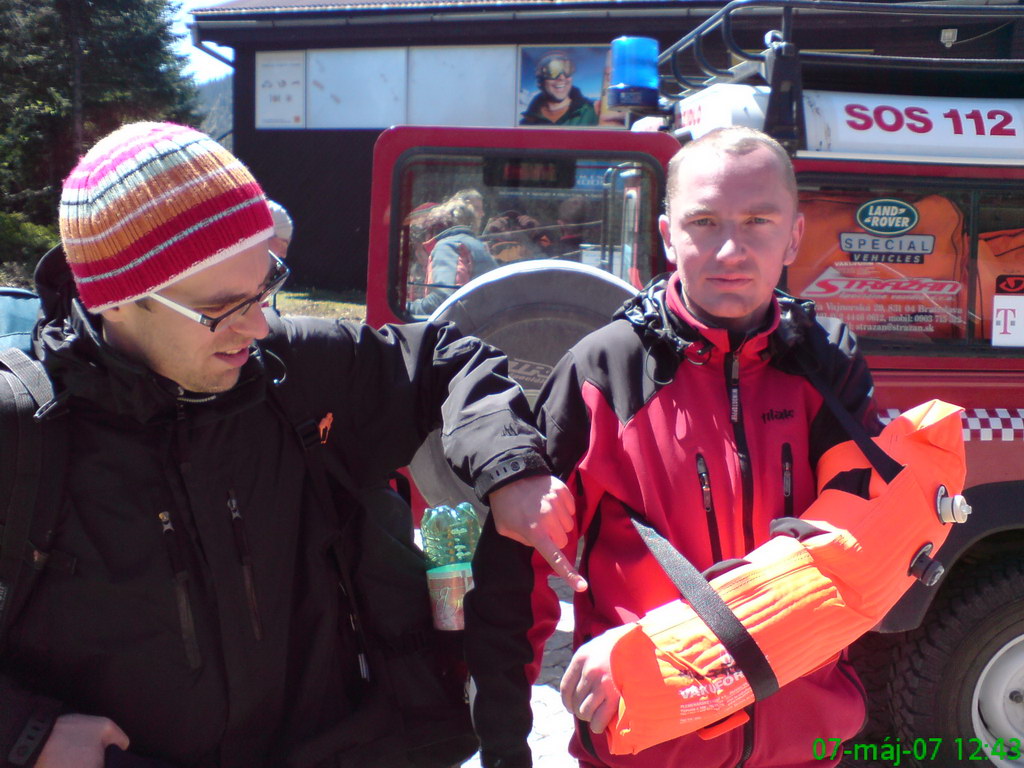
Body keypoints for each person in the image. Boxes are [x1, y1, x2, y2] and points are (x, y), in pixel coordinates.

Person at [0, 121, 556, 768]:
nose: (259, 324)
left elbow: (448, 357)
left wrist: (511, 469)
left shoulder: (286, 372)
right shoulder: (23, 432)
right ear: (116, 300)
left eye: (266, 286)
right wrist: (26, 733)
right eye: (224, 307)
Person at [466, 126, 881, 768]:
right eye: (704, 221)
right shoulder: (602, 373)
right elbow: (514, 575)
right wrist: (502, 744)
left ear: (795, 234)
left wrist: (666, 639)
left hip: (807, 746)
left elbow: (856, 551)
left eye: (759, 221)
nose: (730, 249)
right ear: (667, 236)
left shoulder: (830, 364)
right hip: (649, 748)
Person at [407, 193, 497, 317]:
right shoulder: (476, 245)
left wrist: (407, 307)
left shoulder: (448, 246)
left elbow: (444, 300)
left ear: (435, 227)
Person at [520, 52, 598, 127]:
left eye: (567, 71)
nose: (562, 78)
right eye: (552, 72)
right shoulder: (527, 122)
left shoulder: (593, 113)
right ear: (540, 82)